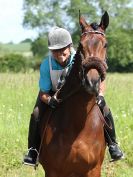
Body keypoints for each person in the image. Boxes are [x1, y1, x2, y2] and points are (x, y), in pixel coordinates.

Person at [23, 26, 123, 167]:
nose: (59, 54)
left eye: (62, 49)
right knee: (35, 114)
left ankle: (113, 145)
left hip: (76, 94)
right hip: (52, 94)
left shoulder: (80, 59)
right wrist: (50, 100)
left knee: (105, 109)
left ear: (70, 46)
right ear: (50, 51)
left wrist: (100, 95)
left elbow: (101, 77)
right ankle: (33, 151)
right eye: (55, 51)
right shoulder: (46, 65)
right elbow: (44, 92)